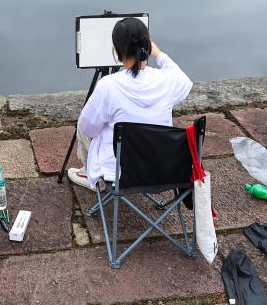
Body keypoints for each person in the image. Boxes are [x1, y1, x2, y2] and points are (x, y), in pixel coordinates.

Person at [67, 17, 193, 189]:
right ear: (147, 48)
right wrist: (159, 54)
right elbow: (183, 80)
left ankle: (90, 175)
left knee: (84, 124)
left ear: (116, 51)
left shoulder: (108, 85)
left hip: (119, 173)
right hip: (163, 168)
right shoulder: (166, 79)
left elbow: (87, 128)